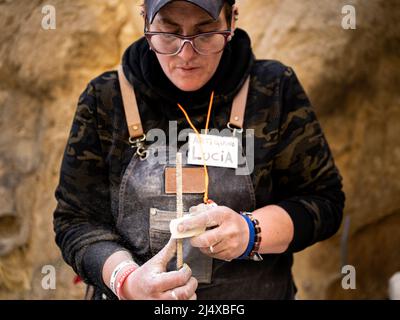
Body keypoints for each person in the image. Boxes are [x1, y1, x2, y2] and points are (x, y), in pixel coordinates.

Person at [53, 0, 345, 300]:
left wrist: (251, 232)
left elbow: (325, 200)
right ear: (146, 22)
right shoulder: (105, 99)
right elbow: (75, 220)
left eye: (205, 33)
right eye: (169, 33)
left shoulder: (273, 90)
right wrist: (127, 281)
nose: (186, 54)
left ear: (231, 20)